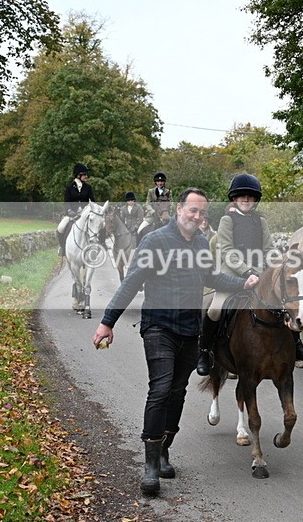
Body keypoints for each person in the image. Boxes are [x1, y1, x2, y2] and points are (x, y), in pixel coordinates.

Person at [91, 188, 258, 495]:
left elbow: (212, 277)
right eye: (192, 210)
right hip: (159, 327)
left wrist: (242, 282)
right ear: (180, 209)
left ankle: (164, 449)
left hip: (189, 331)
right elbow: (132, 283)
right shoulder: (154, 241)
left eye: (202, 212)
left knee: (178, 392)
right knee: (161, 388)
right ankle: (151, 465)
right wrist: (107, 322)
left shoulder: (202, 243)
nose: (197, 216)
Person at [196, 174, 303, 377]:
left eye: (250, 196)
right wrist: (246, 271)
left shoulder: (260, 221)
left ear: (255, 199)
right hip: (233, 275)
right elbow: (227, 251)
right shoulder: (227, 220)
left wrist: (276, 265)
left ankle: (297, 345)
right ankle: (204, 352)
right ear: (234, 198)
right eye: (242, 196)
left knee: (285, 300)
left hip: (260, 275)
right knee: (215, 309)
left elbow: (268, 248)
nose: (246, 199)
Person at [56, 163, 96, 256]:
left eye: (86, 174)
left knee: (99, 225)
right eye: (84, 174)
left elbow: (92, 202)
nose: (86, 176)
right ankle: (63, 248)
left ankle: (100, 245)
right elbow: (67, 202)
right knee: (60, 228)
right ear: (78, 175)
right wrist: (69, 211)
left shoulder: (88, 188)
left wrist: (90, 210)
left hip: (86, 214)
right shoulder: (69, 188)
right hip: (72, 214)